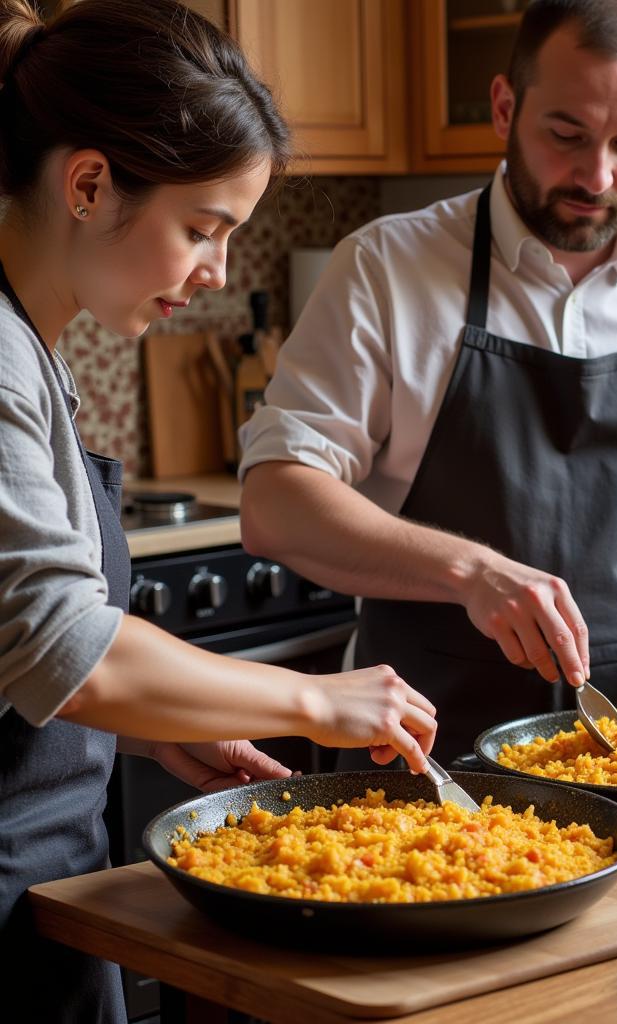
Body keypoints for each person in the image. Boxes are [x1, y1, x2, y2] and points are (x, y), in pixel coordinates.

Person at [0, 2, 437, 1020]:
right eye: (203, 229)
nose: (219, 273)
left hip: (43, 899)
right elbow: (69, 644)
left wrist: (160, 732)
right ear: (90, 183)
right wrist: (317, 701)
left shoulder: (34, 347)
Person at [239, 0, 617, 765]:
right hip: (424, 770)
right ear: (505, 108)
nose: (597, 175)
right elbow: (274, 502)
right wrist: (470, 571)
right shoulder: (385, 269)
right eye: (566, 135)